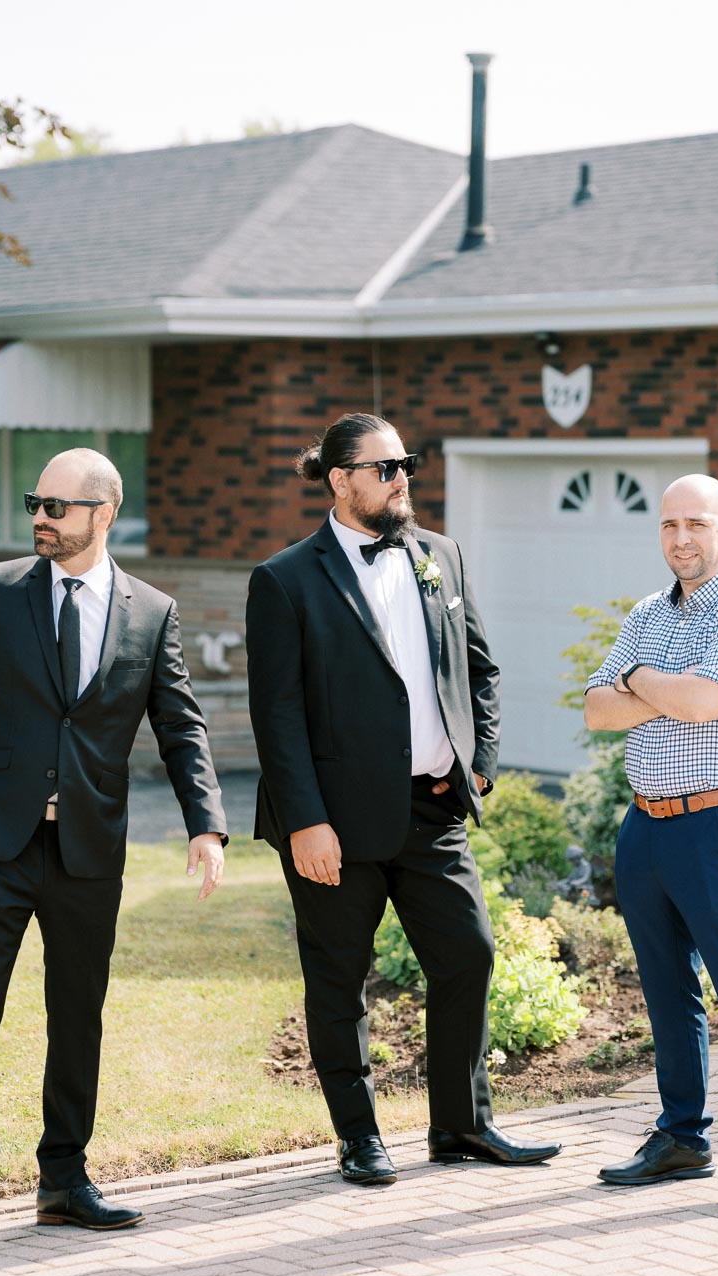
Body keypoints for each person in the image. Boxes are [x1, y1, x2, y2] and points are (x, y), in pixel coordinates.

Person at [0, 447, 227, 1259]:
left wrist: (206, 822)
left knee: (77, 1016)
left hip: (90, 847)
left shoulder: (151, 611)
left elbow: (182, 724)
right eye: (34, 503)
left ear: (103, 514)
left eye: (58, 506)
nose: (40, 518)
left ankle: (63, 1181)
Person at [245, 412, 560, 1186]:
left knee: (469, 956)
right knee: (338, 981)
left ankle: (460, 1127)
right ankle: (358, 1136)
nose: (402, 479)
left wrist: (478, 762)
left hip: (433, 809)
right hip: (334, 826)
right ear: (340, 478)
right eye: (385, 467)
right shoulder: (283, 580)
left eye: (406, 464)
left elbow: (478, 668)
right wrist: (308, 823)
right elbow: (276, 716)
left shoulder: (439, 556)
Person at [585, 473, 718, 1214]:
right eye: (670, 525)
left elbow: (707, 703)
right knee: (665, 989)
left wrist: (640, 678)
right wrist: (665, 691)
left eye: (697, 525)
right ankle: (683, 1136)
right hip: (644, 824)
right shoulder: (649, 609)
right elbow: (595, 710)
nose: (682, 539)